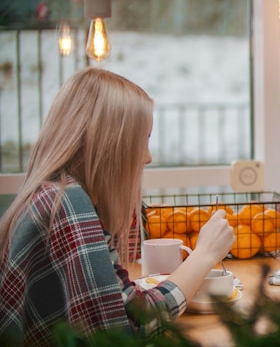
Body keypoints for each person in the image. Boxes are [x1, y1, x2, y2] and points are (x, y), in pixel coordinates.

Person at [0, 67, 235, 344]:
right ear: (113, 144)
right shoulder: (68, 205)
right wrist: (205, 254)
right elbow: (130, 327)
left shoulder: (52, 194)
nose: (148, 157)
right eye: (144, 139)